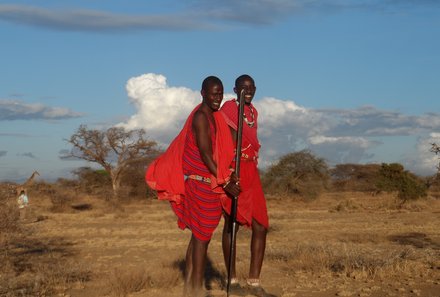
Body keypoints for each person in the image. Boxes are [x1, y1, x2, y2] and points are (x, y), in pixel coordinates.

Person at [146, 76, 240, 297]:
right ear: (203, 93)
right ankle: (197, 290)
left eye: (220, 94)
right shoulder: (201, 117)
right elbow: (206, 154)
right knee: (202, 238)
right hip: (201, 183)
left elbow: (231, 138)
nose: (217, 98)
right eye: (213, 93)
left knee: (198, 236)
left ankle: (189, 288)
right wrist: (225, 181)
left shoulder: (214, 117)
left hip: (207, 182)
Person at [220, 74, 275, 297]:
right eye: (243, 88)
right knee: (231, 223)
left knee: (261, 225)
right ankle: (232, 281)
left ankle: (254, 283)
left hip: (251, 169)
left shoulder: (253, 112)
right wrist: (226, 175)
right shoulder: (229, 109)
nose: (248, 91)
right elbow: (225, 140)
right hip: (234, 169)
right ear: (235, 89)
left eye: (251, 88)